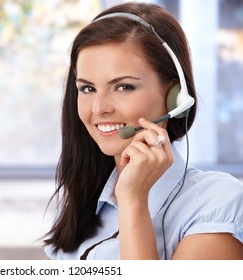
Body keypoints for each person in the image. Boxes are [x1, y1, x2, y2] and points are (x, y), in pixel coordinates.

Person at [43, 2, 243, 260]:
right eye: (88, 89)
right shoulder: (84, 211)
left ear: (175, 95)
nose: (99, 108)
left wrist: (133, 200)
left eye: (123, 87)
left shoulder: (216, 203)